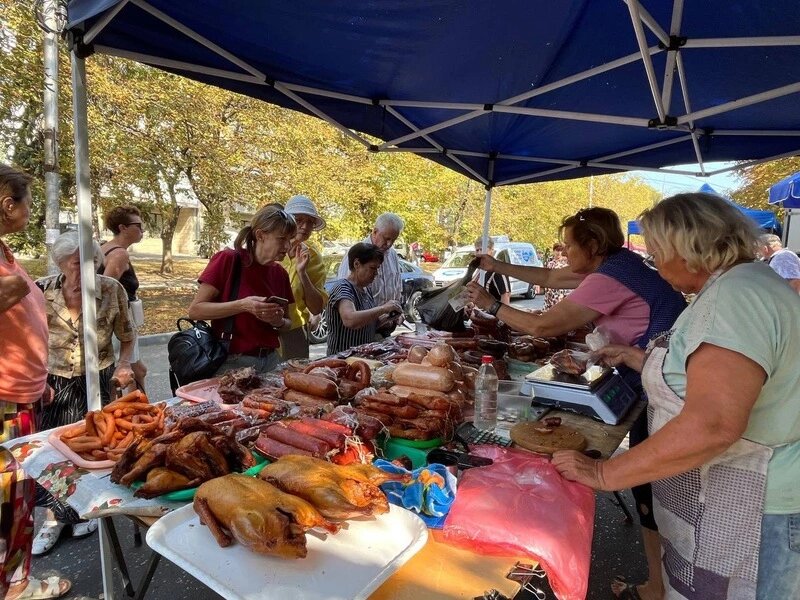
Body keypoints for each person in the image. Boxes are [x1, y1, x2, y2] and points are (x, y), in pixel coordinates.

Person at [553, 192, 800, 600]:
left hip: (756, 512)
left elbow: (713, 423)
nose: (654, 262)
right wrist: (639, 359)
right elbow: (710, 376)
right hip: (741, 503)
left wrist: (603, 474)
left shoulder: (735, 299)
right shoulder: (747, 284)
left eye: (657, 252)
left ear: (687, 250)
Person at [465, 207, 686, 600]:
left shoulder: (610, 278)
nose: (564, 253)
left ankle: (662, 587)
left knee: (654, 490)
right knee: (652, 491)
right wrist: (496, 264)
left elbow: (543, 325)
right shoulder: (618, 264)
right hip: (649, 374)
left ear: (593, 245)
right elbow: (549, 277)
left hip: (661, 385)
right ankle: (659, 584)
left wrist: (491, 304)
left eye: (570, 245)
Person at [32, 231, 136, 555]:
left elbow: (128, 336)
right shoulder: (41, 290)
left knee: (95, 448)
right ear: (61, 264)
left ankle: (81, 511)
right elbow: (28, 340)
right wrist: (37, 377)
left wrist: (123, 365)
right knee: (55, 453)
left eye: (89, 264)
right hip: (54, 380)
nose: (81, 272)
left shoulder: (111, 289)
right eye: (74, 264)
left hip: (100, 377)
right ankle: (52, 519)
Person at [0, 164, 71, 599]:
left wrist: (37, 378)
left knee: (18, 496)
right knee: (10, 499)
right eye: (27, 202)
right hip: (5, 401)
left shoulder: (5, 252)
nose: (30, 210)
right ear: (9, 205)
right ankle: (14, 587)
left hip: (22, 393)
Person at [189, 206, 294, 374]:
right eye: (282, 239)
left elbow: (288, 323)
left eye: (291, 239)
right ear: (260, 235)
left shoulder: (280, 273)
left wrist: (278, 321)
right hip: (233, 363)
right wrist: (244, 305)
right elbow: (195, 311)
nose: (288, 246)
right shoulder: (229, 260)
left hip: (271, 361)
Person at [98, 205, 147, 389]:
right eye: (138, 226)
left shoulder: (105, 248)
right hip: (119, 323)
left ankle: (141, 409)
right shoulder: (119, 253)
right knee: (135, 372)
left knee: (138, 369)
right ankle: (144, 413)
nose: (142, 230)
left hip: (114, 322)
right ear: (122, 228)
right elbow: (107, 290)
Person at [327, 243, 403, 355]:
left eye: (377, 268)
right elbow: (350, 320)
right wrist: (383, 308)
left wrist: (389, 317)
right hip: (342, 359)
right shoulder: (343, 287)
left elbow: (368, 324)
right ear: (357, 264)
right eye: (372, 268)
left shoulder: (366, 290)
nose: (376, 273)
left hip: (362, 357)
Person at [337, 213, 405, 337]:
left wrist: (395, 312)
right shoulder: (357, 254)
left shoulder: (392, 255)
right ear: (374, 232)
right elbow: (349, 314)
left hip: (383, 328)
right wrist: (383, 309)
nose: (389, 244)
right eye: (386, 238)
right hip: (358, 334)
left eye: (393, 240)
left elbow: (396, 289)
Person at [279, 195, 328, 359]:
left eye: (310, 222)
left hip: (295, 330)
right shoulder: (269, 249)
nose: (305, 226)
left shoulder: (313, 257)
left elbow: (316, 308)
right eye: (299, 220)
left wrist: (303, 273)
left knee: (296, 379)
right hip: (262, 330)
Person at [473, 237, 511, 305]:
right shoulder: (479, 269)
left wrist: (501, 315)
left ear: (491, 250)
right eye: (477, 250)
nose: (479, 253)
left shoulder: (498, 269)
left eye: (481, 249)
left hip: (491, 313)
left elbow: (505, 296)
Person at [543, 242, 570, 310]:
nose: (558, 252)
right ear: (553, 251)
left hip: (561, 290)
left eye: (560, 250)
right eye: (557, 250)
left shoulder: (566, 264)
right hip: (550, 290)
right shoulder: (549, 264)